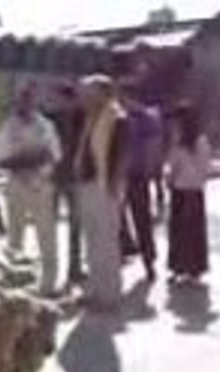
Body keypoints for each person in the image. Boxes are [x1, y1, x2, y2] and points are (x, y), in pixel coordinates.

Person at [0, 83, 62, 296]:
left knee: (47, 236)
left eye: (29, 98)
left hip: (41, 186)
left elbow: (55, 154)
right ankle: (13, 283)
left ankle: (48, 284)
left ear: (35, 101)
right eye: (22, 99)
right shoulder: (8, 127)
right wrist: (20, 164)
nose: (25, 103)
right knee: (15, 235)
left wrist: (37, 165)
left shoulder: (46, 126)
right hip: (16, 186)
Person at [74, 75, 129, 311]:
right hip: (88, 184)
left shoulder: (117, 117)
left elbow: (123, 155)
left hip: (105, 186)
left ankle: (110, 295)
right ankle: (95, 290)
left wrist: (114, 185)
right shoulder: (91, 117)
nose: (84, 97)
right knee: (92, 240)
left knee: (106, 242)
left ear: (103, 93)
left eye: (89, 92)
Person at [119, 84, 163, 281]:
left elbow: (154, 146)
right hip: (122, 174)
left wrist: (150, 170)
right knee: (119, 217)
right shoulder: (122, 118)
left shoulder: (147, 119)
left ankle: (148, 259)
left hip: (137, 174)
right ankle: (126, 248)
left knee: (142, 218)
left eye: (124, 98)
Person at [166, 103, 210, 283]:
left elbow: (175, 165)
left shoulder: (187, 142)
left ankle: (184, 267)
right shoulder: (198, 141)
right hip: (190, 189)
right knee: (186, 229)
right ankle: (188, 268)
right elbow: (204, 167)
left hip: (185, 189)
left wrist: (172, 178)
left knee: (183, 229)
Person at [50, 83, 86, 283]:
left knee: (76, 226)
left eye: (61, 99)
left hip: (75, 178)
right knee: (49, 224)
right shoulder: (51, 120)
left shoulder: (83, 119)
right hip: (54, 177)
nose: (58, 103)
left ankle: (75, 267)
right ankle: (51, 266)